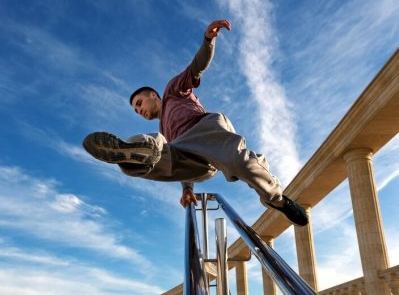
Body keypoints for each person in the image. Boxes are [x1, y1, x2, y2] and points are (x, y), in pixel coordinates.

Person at [82, 19, 308, 226]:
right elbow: (179, 165)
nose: (139, 110)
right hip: (187, 156)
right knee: (159, 147)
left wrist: (208, 41)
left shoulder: (172, 91)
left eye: (139, 103)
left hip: (204, 131)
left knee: (240, 163)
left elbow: (197, 67)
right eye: (135, 110)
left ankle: (277, 199)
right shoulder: (163, 129)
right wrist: (187, 189)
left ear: (153, 95)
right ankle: (132, 157)